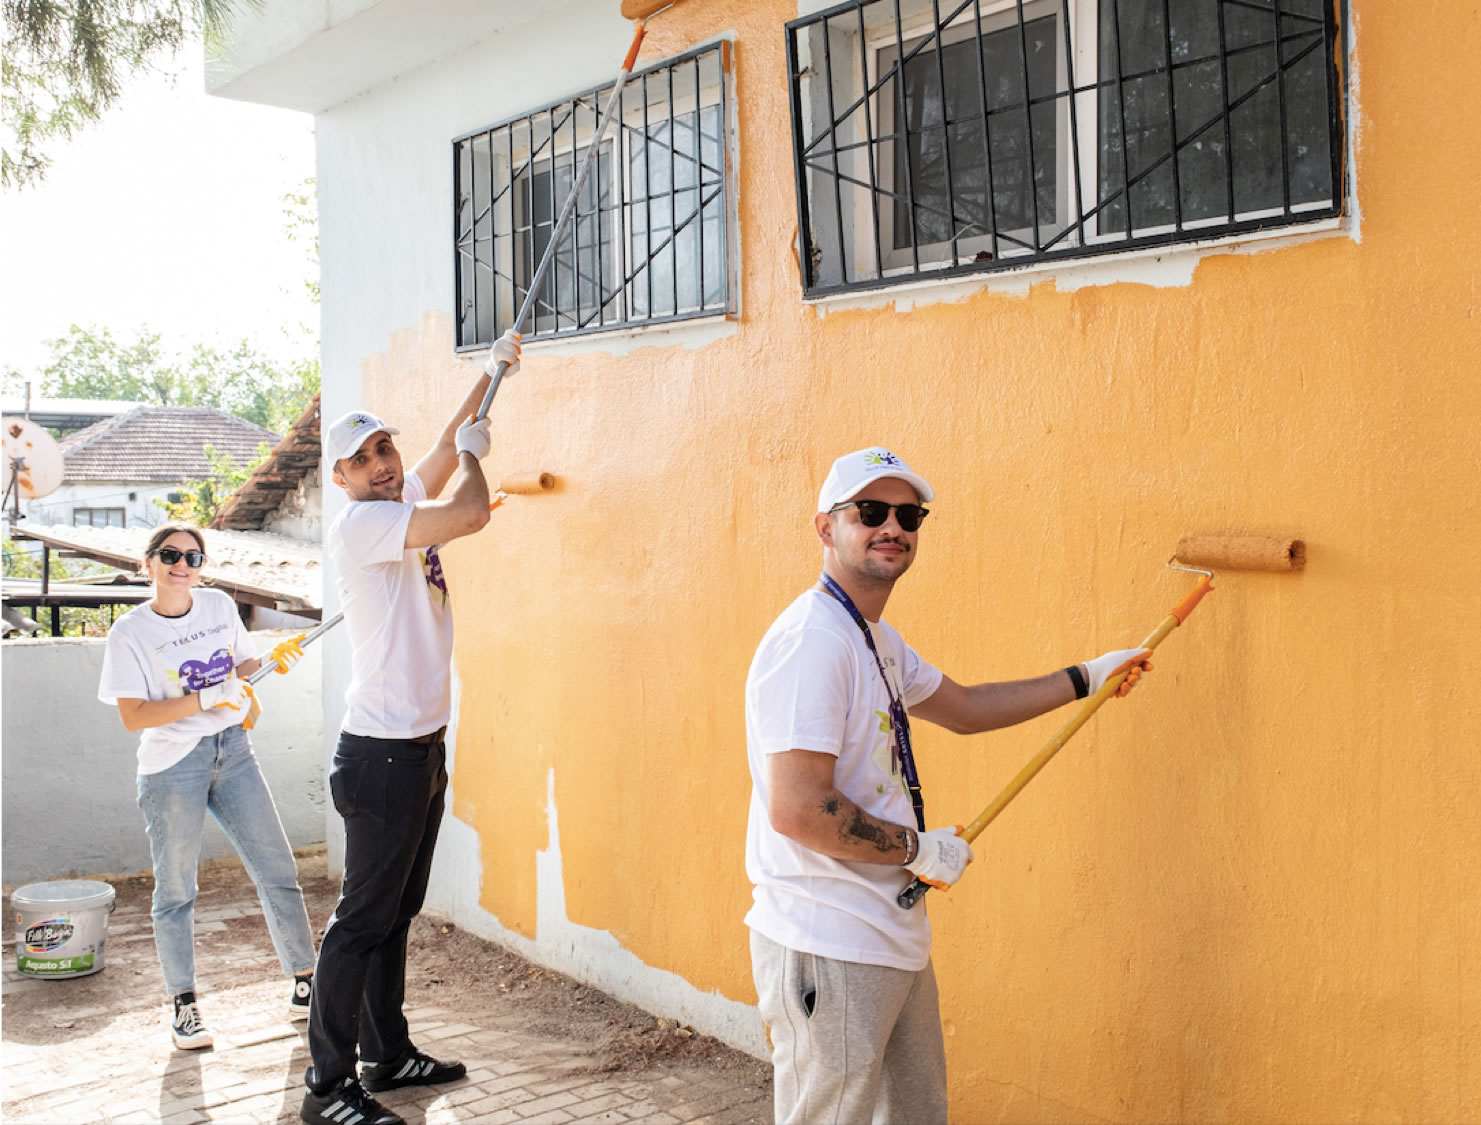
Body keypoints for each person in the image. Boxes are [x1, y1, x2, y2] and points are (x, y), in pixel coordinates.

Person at [744, 447, 1154, 1125]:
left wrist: (1086, 676)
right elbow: (798, 808)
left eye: (908, 514)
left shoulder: (873, 637)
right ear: (825, 527)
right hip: (829, 935)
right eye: (869, 510)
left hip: (888, 932)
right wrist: (916, 849)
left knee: (914, 1112)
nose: (892, 526)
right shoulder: (813, 641)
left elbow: (963, 708)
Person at [300, 330, 521, 1125]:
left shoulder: (395, 501)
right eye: (364, 458)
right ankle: (326, 1089)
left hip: (419, 748)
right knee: (358, 923)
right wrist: (474, 455)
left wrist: (491, 373)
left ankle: (385, 1054)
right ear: (341, 477)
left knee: (394, 914)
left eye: (384, 447)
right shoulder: (361, 526)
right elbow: (466, 510)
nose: (384, 463)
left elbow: (438, 446)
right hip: (381, 756)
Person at [98, 522, 317, 1051]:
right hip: (173, 765)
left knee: (278, 869)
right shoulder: (129, 632)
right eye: (171, 554)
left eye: (194, 557)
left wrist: (274, 659)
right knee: (176, 891)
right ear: (148, 562)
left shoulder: (218, 606)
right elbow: (134, 716)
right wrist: (203, 700)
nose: (183, 565)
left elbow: (242, 668)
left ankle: (308, 984)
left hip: (233, 750)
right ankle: (184, 1006)